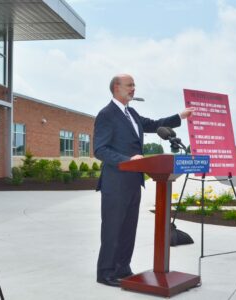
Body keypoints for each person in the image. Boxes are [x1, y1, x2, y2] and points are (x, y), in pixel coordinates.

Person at [93, 74, 194, 287]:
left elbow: (154, 125)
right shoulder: (106, 115)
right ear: (116, 87)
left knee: (128, 228)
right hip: (115, 182)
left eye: (134, 85)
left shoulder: (131, 113)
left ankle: (122, 268)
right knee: (113, 228)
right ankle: (106, 273)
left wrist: (180, 116)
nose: (133, 88)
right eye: (129, 85)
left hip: (132, 181)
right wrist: (127, 160)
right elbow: (100, 149)